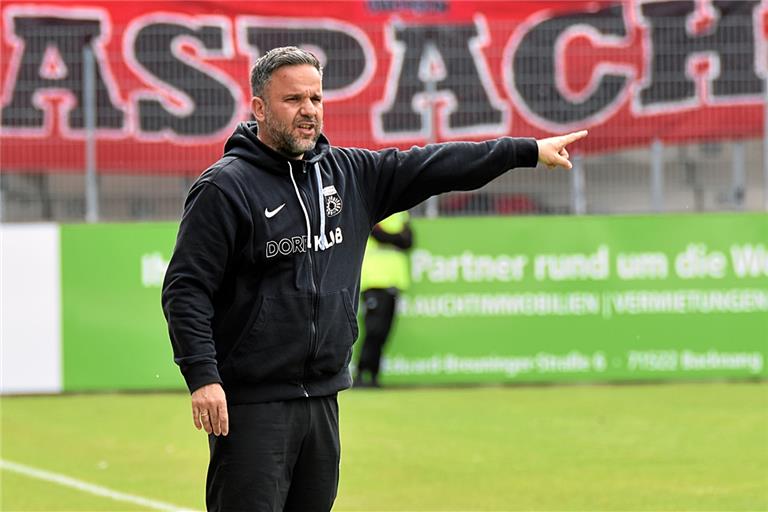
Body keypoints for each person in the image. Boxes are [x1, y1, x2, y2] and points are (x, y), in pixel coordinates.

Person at [161, 46, 587, 512]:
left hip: (323, 401)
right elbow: (186, 289)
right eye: (293, 100)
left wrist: (524, 152)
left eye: (316, 99)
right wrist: (203, 376)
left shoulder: (350, 175)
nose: (308, 111)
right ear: (259, 108)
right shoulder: (225, 188)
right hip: (252, 406)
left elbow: (435, 165)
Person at [356, 210, 413, 388]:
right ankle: (361, 373)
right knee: (373, 330)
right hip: (373, 280)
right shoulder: (373, 206)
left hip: (393, 281)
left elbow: (408, 241)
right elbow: (379, 235)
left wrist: (390, 237)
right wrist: (395, 237)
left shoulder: (401, 213)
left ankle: (373, 375)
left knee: (384, 332)